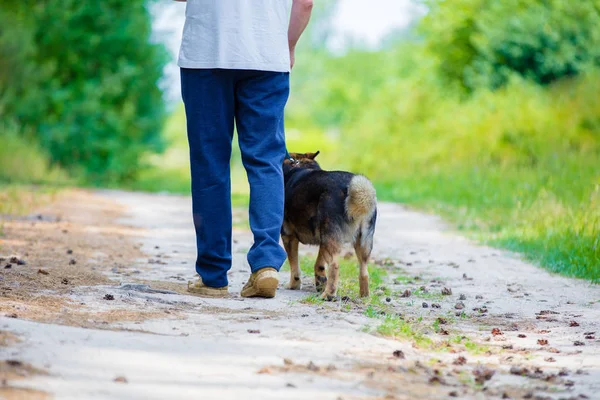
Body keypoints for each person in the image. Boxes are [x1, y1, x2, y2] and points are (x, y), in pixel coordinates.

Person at [175, 0, 313, 298]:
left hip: (205, 55)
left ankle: (213, 276)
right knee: (266, 161)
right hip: (266, 57)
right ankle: (265, 264)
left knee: (209, 165)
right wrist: (286, 45)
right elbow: (305, 3)